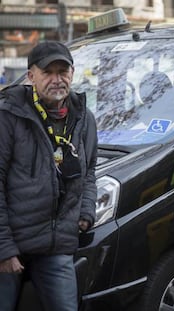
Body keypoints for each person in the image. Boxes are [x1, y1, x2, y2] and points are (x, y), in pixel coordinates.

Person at [0, 41, 98, 311]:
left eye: (62, 71)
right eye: (48, 72)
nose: (57, 79)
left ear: (73, 73)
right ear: (31, 76)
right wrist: (4, 248)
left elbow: (89, 170)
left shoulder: (84, 118)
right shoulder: (8, 115)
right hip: (12, 242)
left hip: (55, 245)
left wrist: (86, 211)